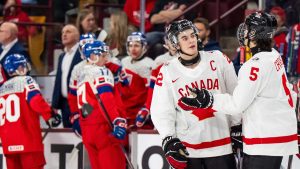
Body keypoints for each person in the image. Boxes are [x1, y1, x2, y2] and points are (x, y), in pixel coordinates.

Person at [179, 12, 299, 169]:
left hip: (264, 140)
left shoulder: (254, 65)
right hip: (278, 134)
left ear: (255, 33)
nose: (244, 31)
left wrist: (209, 99)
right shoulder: (273, 55)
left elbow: (237, 105)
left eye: (248, 28)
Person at [150, 19, 239, 169]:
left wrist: (238, 125)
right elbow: (161, 110)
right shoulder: (167, 70)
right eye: (184, 38)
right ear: (175, 43)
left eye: (192, 35)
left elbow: (235, 94)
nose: (191, 40)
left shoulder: (218, 59)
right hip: (188, 149)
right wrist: (168, 137)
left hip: (221, 145)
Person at [0, 53, 61, 169]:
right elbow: (35, 100)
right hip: (28, 142)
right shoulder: (26, 81)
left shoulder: (1, 89)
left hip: (8, 143)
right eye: (23, 66)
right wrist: (50, 116)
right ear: (19, 68)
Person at [76, 40, 127, 169]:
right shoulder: (102, 71)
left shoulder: (81, 74)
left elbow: (87, 106)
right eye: (103, 55)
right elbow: (106, 98)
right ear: (93, 57)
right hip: (104, 129)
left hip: (87, 130)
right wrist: (116, 119)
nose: (106, 59)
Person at [120, 32, 154, 128]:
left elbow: (152, 92)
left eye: (137, 45)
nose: (133, 49)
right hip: (125, 109)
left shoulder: (149, 64)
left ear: (144, 47)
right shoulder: (124, 61)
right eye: (130, 45)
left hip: (139, 111)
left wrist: (147, 109)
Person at [52, 24, 81, 128]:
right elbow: (58, 80)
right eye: (63, 32)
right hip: (65, 103)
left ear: (77, 36)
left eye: (68, 32)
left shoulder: (82, 53)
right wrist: (54, 105)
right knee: (67, 131)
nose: (64, 34)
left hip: (80, 103)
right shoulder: (62, 56)